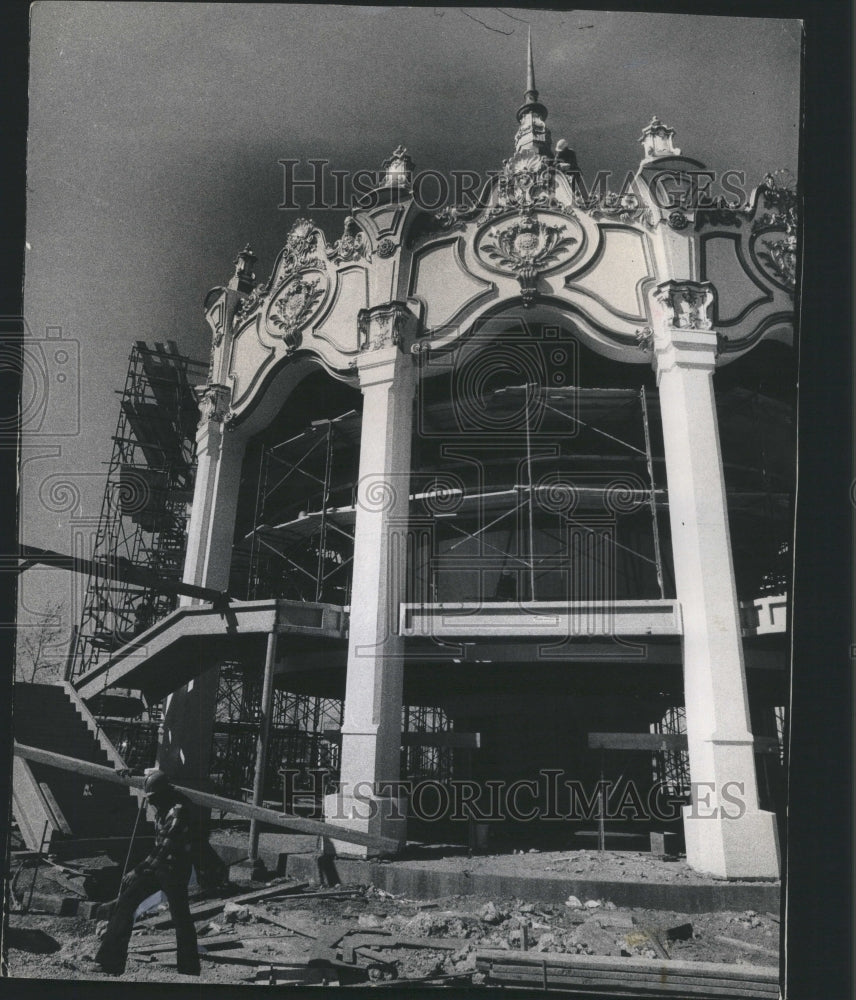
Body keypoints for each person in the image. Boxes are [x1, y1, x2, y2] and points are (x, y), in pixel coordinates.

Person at [93, 770, 201, 976]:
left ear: (162, 794)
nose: (150, 803)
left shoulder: (178, 813)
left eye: (153, 798)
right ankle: (109, 963)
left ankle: (189, 970)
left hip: (175, 870)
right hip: (159, 867)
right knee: (126, 901)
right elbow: (151, 772)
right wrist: (131, 771)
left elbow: (163, 850)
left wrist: (137, 871)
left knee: (180, 918)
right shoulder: (164, 804)